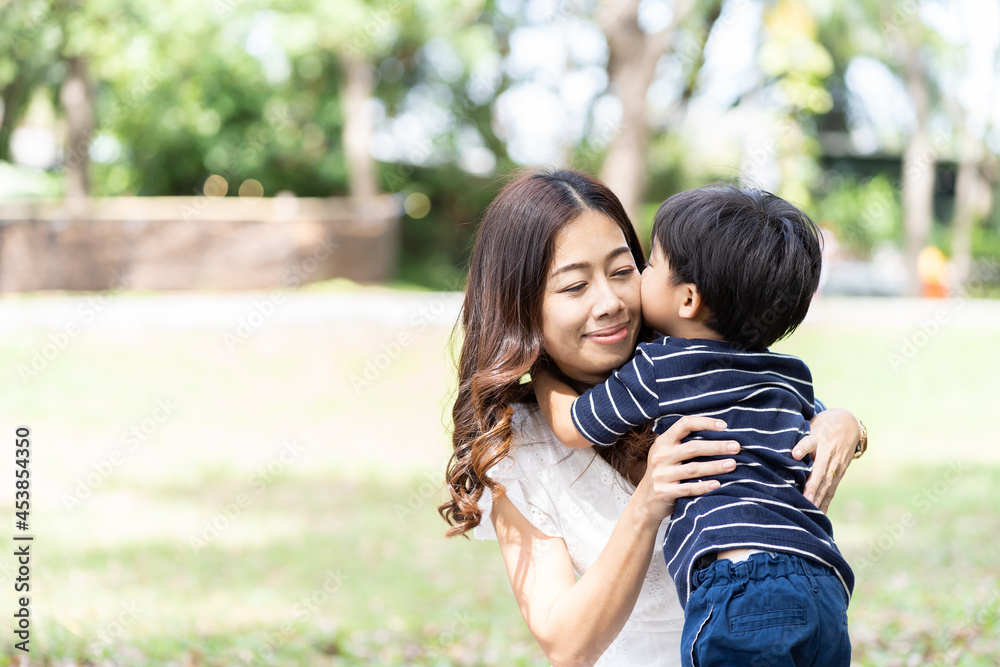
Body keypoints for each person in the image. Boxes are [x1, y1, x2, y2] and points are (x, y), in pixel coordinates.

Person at [438, 169, 863, 667]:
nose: (611, 302)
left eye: (623, 271)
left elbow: (784, 403)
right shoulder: (517, 448)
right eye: (575, 285)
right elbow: (566, 645)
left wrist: (845, 423)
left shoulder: (683, 367)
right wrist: (647, 503)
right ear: (520, 305)